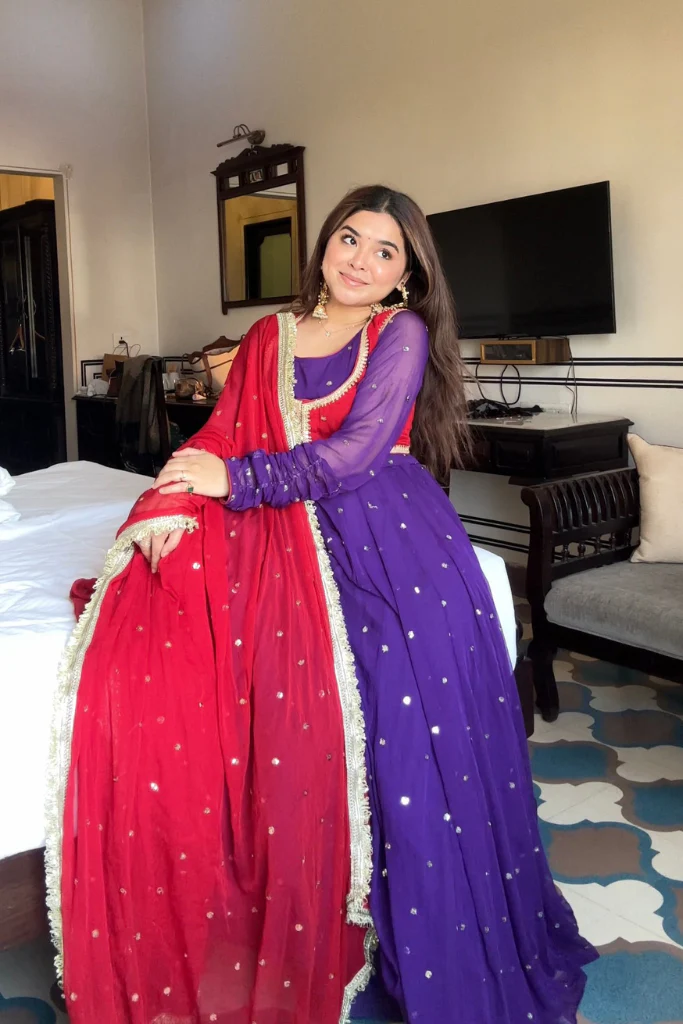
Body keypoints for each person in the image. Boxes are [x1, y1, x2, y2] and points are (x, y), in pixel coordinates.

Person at [46, 185, 596, 1024]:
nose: (359, 261)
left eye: (384, 251)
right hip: (278, 522)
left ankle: (418, 929)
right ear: (325, 243)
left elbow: (356, 453)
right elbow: (221, 433)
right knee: (168, 621)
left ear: (405, 275)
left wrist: (236, 480)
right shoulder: (269, 334)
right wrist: (170, 496)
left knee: (400, 693)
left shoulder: (397, 332)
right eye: (348, 238)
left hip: (385, 534)